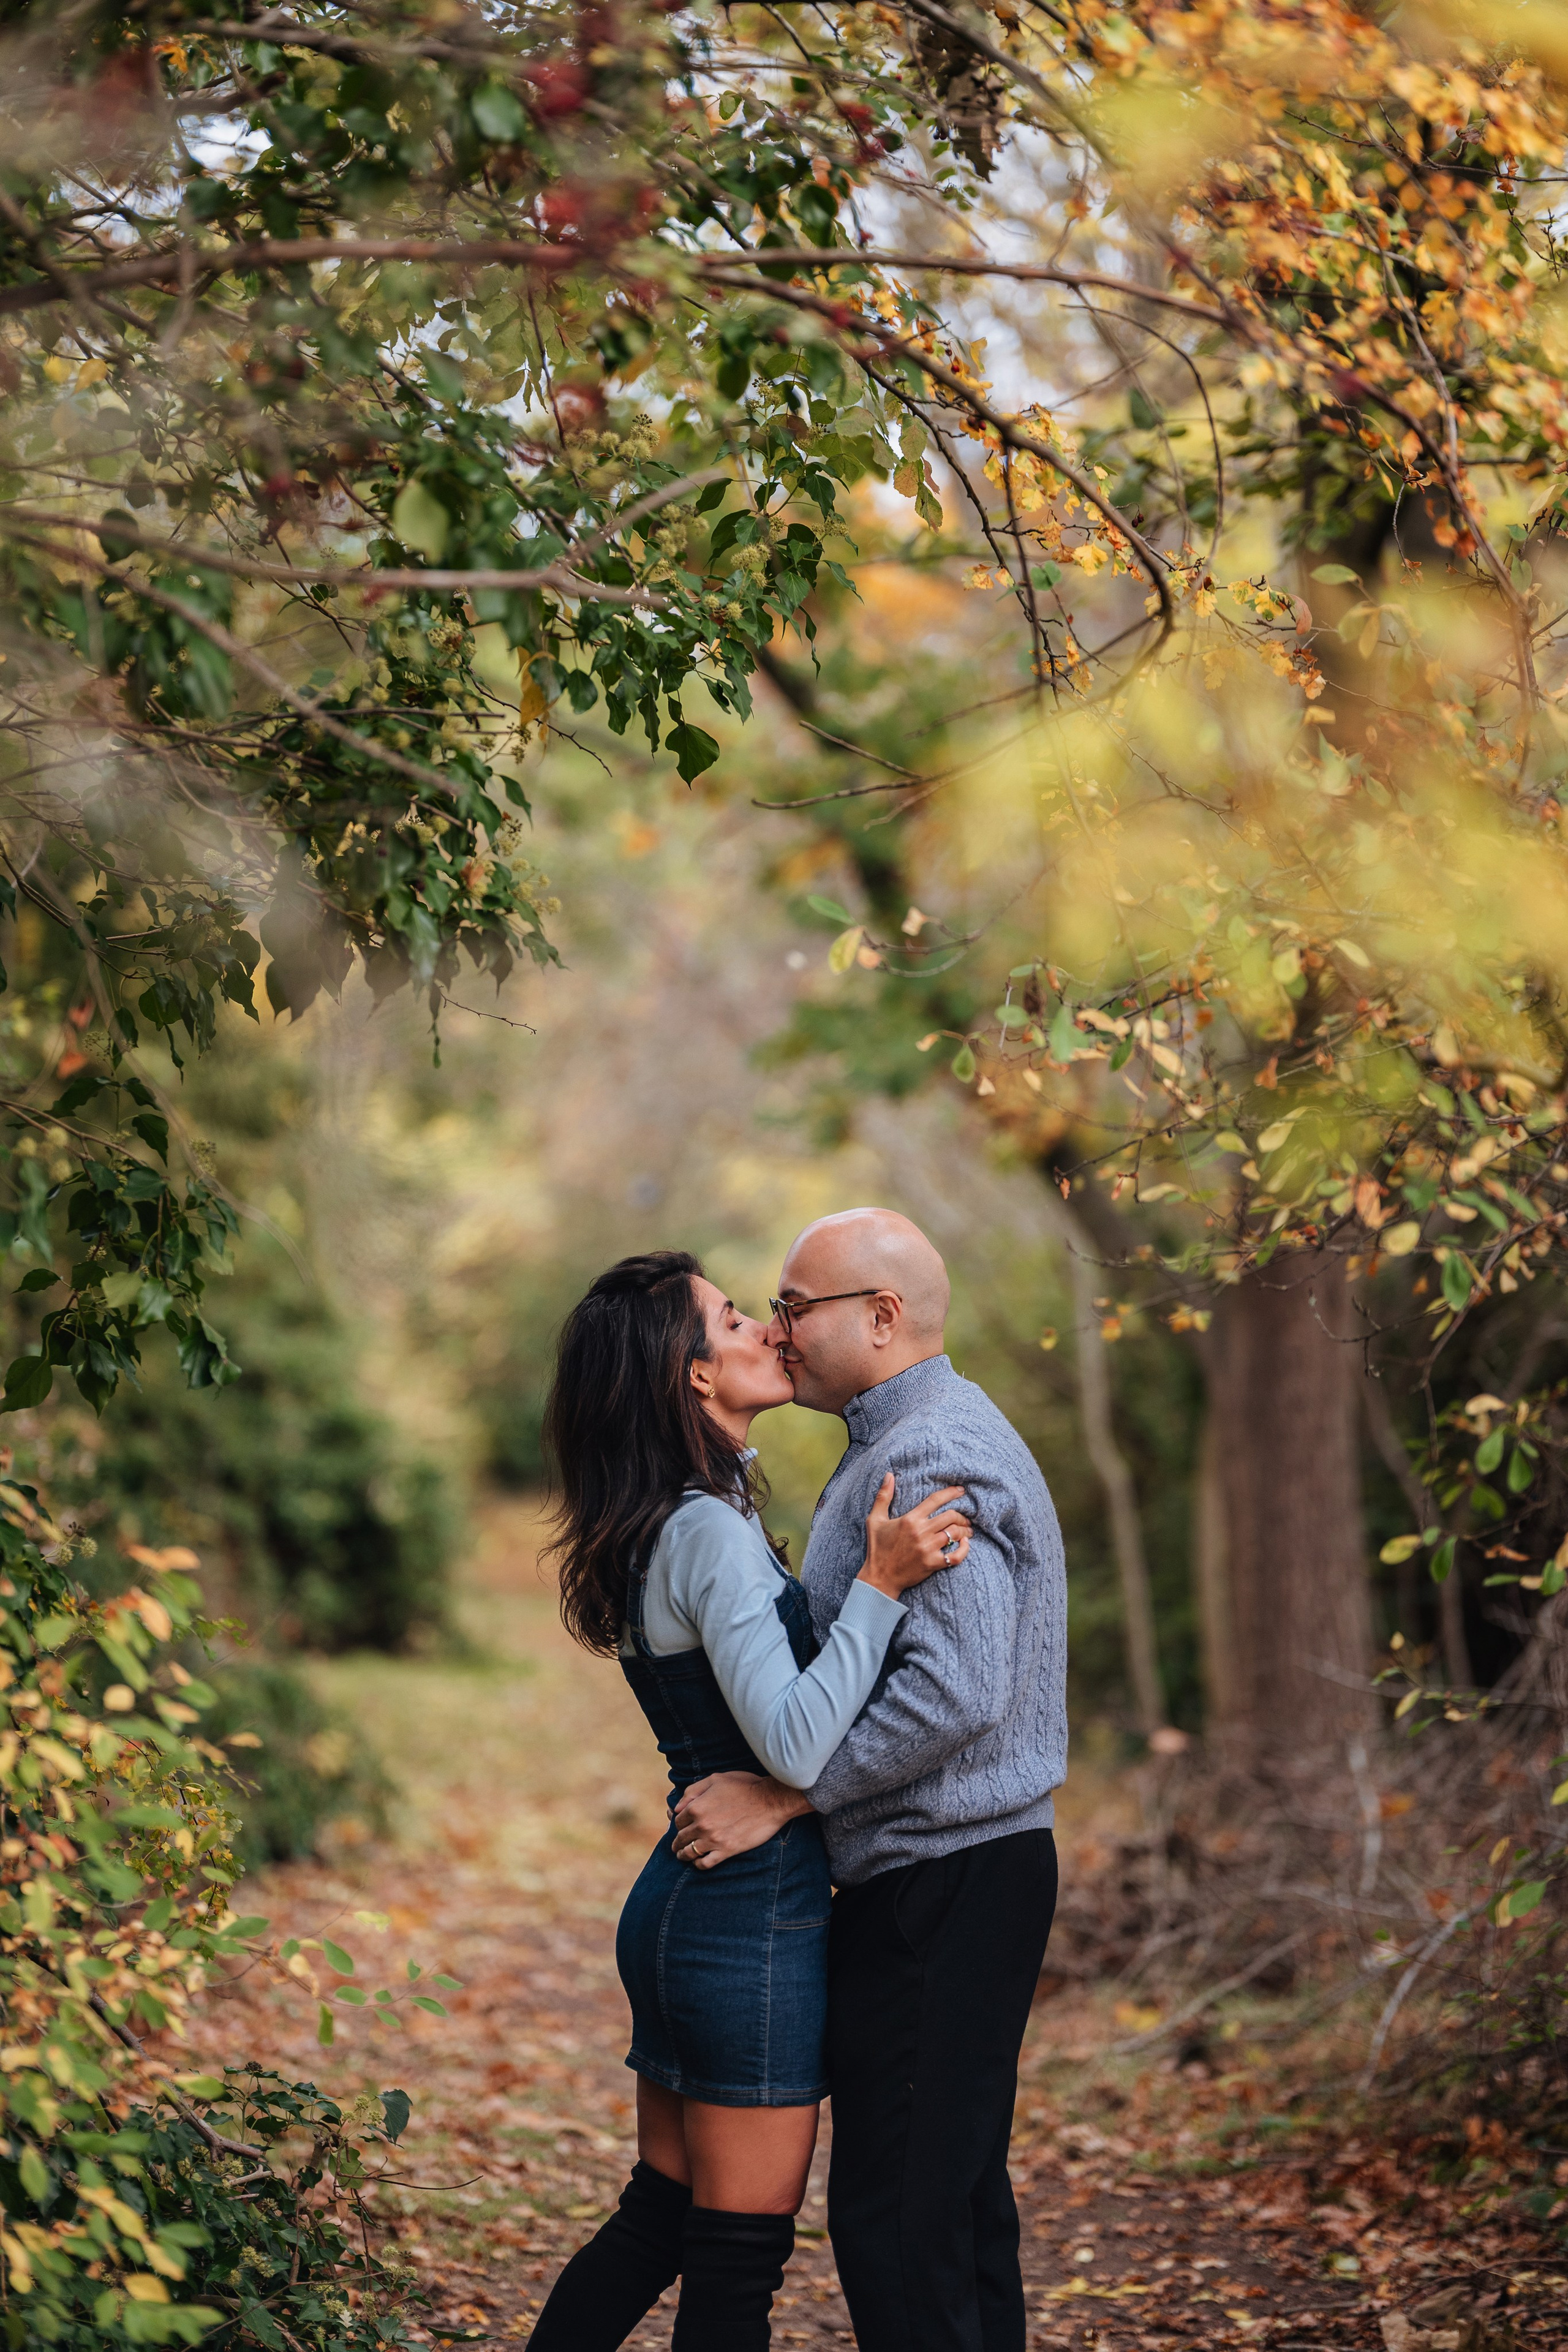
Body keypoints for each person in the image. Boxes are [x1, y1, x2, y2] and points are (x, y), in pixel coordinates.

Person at [526, 1249, 971, 2351]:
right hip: (749, 1923)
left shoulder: (663, 1521)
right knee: (734, 2267)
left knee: (657, 2221)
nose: (769, 1330)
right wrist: (878, 1588)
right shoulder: (709, 1532)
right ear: (692, 1375)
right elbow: (796, 1745)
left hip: (687, 1907)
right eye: (734, 1320)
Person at [670, 1207, 1068, 2352]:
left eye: (796, 1306)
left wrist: (788, 1795)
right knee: (950, 2207)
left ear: (882, 1317)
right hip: (944, 1871)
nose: (779, 1328)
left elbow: (958, 1692)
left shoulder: (930, 1450)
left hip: (950, 1880)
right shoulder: (894, 1440)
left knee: (901, 2219)